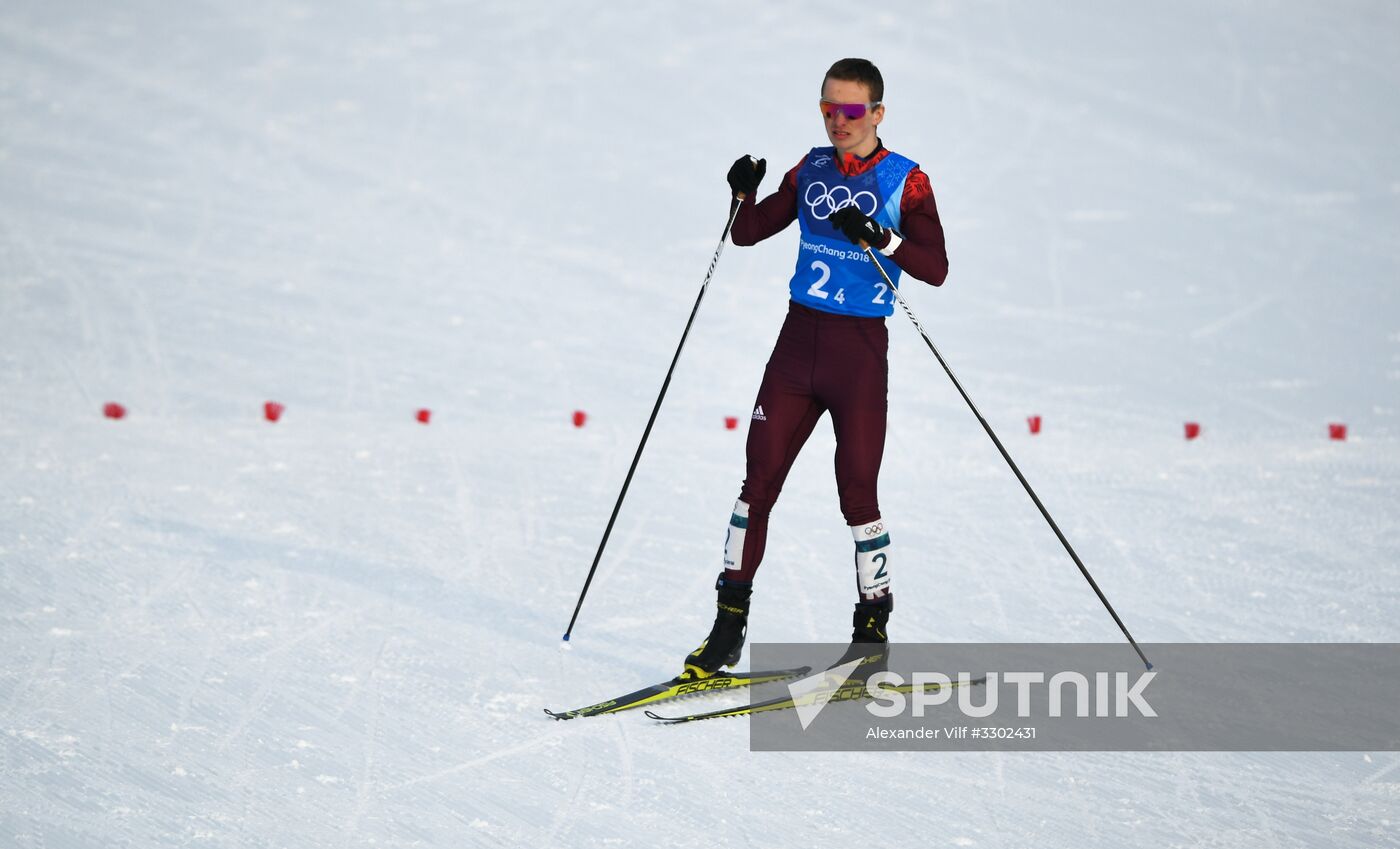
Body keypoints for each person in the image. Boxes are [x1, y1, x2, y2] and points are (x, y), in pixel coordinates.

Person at [681, 57, 949, 680]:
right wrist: (741, 194)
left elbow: (935, 268)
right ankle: (726, 629)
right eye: (828, 108)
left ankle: (871, 637)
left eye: (850, 110)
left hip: (859, 354)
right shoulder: (812, 168)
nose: (837, 121)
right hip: (797, 346)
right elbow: (748, 233)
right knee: (757, 484)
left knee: (858, 491)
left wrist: (881, 238)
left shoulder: (907, 181)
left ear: (877, 113)